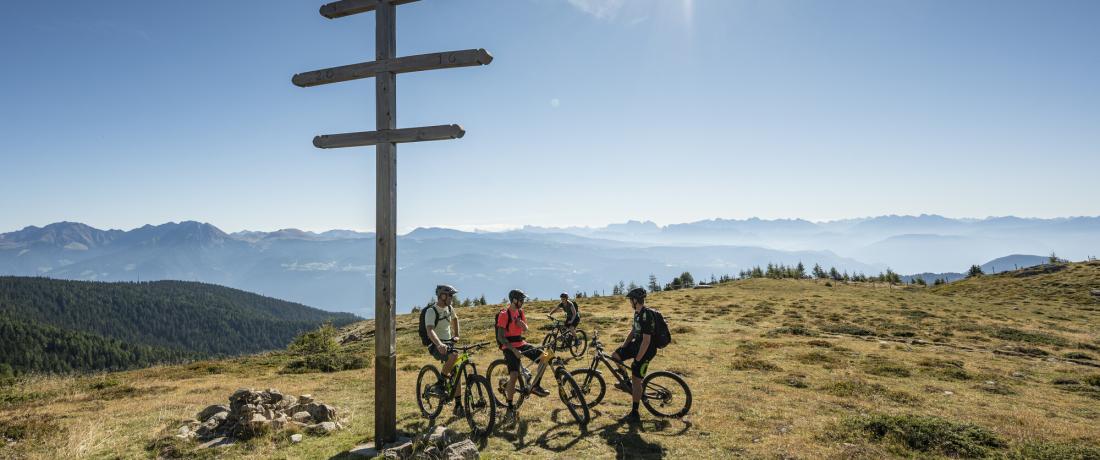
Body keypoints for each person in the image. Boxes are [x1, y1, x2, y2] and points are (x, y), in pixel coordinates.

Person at [496, 289, 549, 422]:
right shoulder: (504, 314)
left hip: (521, 342)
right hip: (508, 346)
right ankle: (509, 407)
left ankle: (535, 386)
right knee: (514, 375)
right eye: (521, 300)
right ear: (514, 300)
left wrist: (522, 324)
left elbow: (525, 329)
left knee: (545, 356)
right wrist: (514, 350)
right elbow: (501, 337)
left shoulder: (520, 312)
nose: (523, 302)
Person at [611, 287, 657, 423]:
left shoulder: (646, 315)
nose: (630, 302)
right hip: (637, 344)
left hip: (647, 349)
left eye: (631, 300)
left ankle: (635, 412)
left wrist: (637, 360)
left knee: (636, 379)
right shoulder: (637, 313)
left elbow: (647, 340)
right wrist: (623, 347)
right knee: (615, 356)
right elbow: (633, 331)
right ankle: (626, 381)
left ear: (636, 300)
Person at [425, 284, 463, 417]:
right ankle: (440, 382)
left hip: (448, 342)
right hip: (436, 344)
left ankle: (458, 405)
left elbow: (455, 319)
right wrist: (439, 344)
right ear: (442, 296)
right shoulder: (431, 311)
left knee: (456, 371)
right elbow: (429, 330)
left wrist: (456, 334)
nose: (452, 298)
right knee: (454, 356)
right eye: (450, 295)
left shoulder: (449, 308)